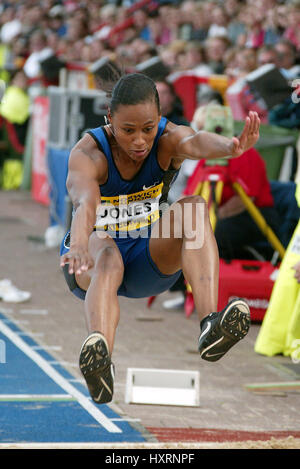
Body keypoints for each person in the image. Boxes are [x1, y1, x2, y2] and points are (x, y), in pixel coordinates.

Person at [60, 73, 260, 404]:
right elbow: (85, 204)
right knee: (106, 252)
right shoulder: (89, 153)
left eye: (147, 129)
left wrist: (230, 146)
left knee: (194, 208)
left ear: (158, 119)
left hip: (146, 256)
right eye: (128, 131)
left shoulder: (167, 138)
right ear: (109, 118)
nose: (140, 141)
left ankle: (210, 324)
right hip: (92, 260)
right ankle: (101, 359)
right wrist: (80, 243)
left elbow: (195, 142)